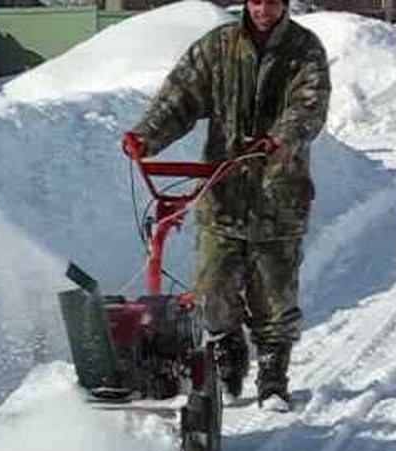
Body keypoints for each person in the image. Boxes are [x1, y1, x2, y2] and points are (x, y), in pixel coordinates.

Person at [121, 0, 331, 411]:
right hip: (222, 194)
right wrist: (146, 136)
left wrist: (279, 140)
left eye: (272, 2)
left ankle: (273, 380)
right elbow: (180, 97)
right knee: (212, 291)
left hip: (279, 195)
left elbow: (309, 107)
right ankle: (226, 343)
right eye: (255, 1)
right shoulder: (217, 47)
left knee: (274, 296)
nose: (263, 10)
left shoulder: (305, 49)